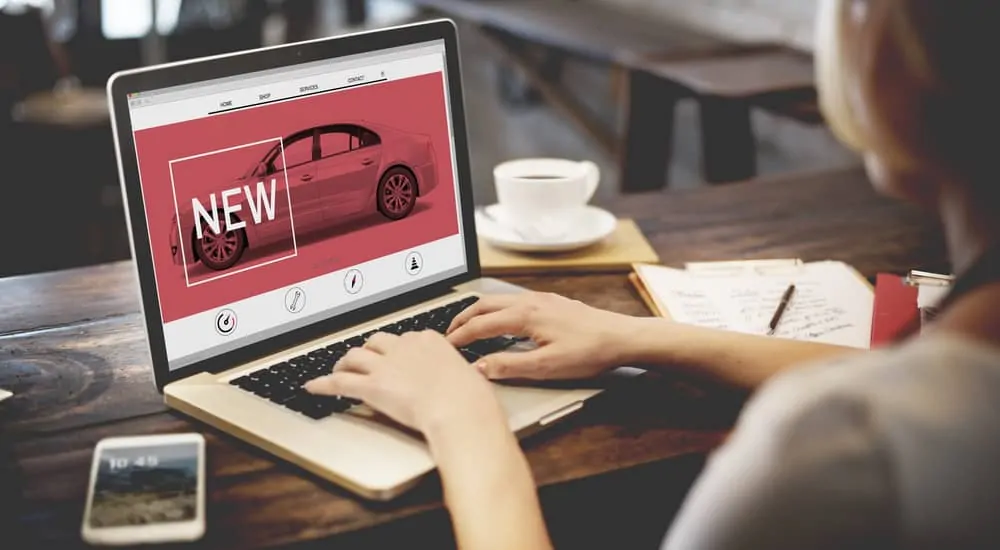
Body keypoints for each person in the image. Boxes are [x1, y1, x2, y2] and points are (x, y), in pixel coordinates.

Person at [306, 0, 1000, 547]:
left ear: (923, 68)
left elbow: (868, 403)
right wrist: (641, 336)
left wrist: (462, 420)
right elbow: (885, 370)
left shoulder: (839, 445)